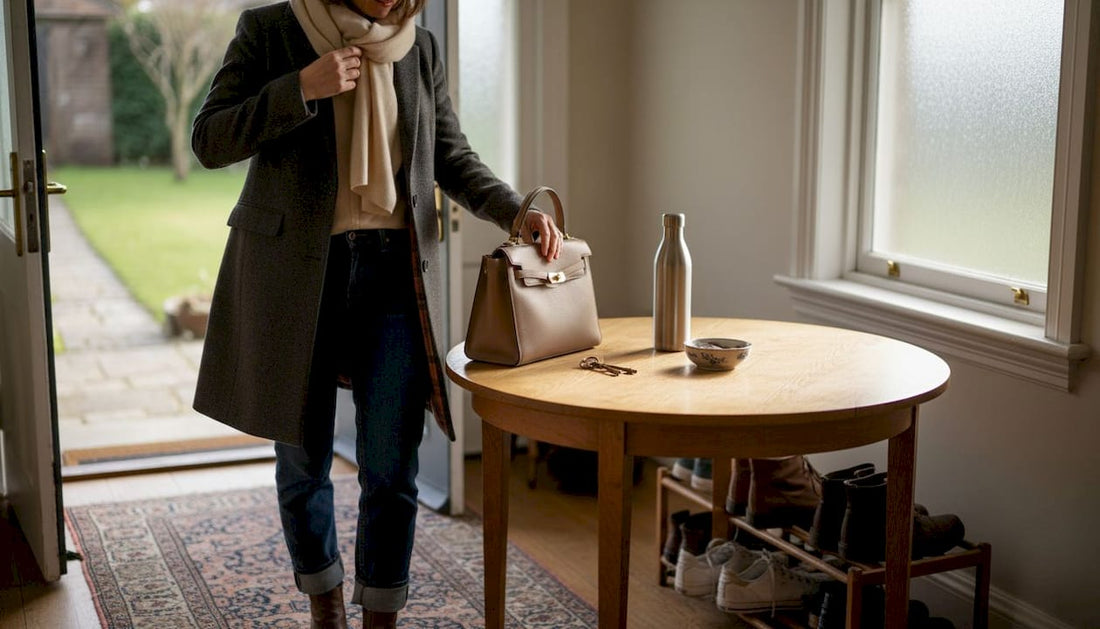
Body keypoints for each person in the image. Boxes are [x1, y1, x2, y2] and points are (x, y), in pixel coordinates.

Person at [190, 0, 562, 627]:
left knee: (392, 465)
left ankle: (382, 614)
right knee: (301, 458)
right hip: (294, 273)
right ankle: (324, 601)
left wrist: (515, 211)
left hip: (396, 275)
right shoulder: (271, 30)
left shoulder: (419, 47)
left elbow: (452, 158)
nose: (393, 1)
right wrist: (300, 88)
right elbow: (208, 140)